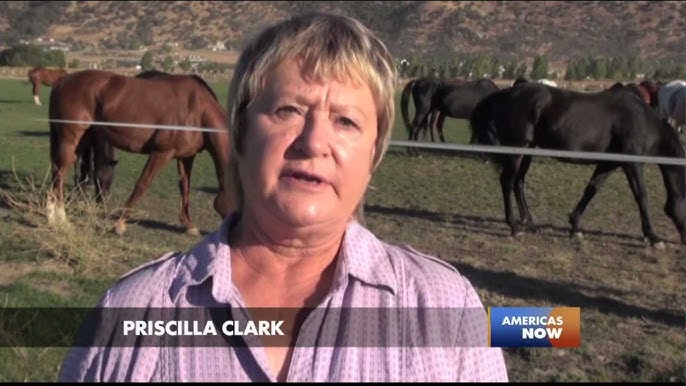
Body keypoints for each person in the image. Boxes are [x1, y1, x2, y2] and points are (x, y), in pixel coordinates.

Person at [57, 12, 508, 382]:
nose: (314, 142)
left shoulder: (445, 309)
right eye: (288, 110)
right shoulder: (135, 311)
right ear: (242, 132)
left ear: (373, 153)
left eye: (346, 121)